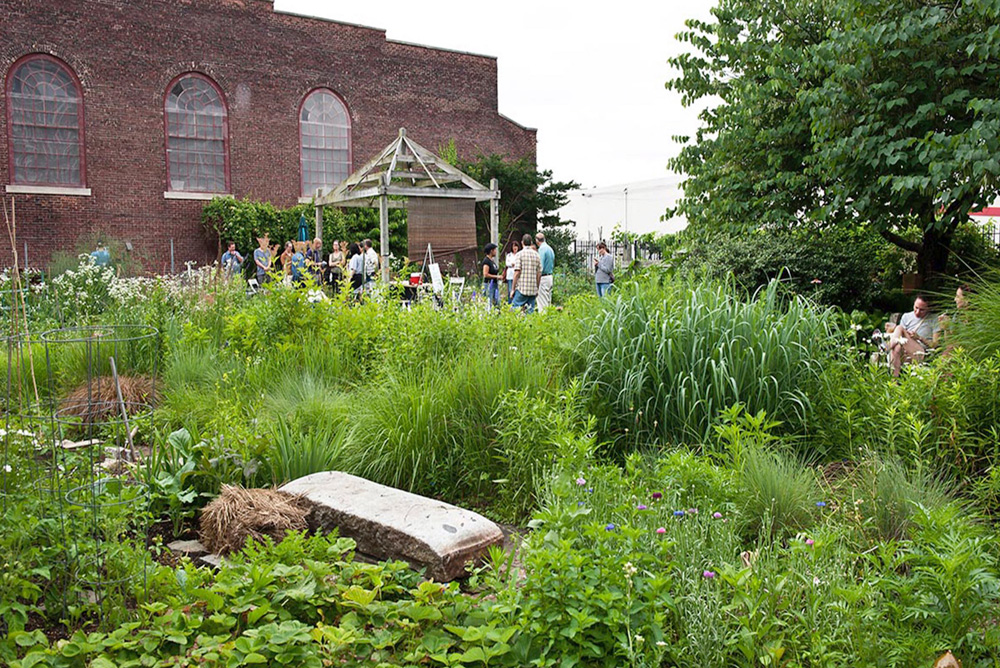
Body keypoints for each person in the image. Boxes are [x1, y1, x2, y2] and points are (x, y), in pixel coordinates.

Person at [882, 295, 940, 377]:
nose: (917, 312)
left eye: (922, 310)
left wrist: (919, 338)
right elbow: (899, 337)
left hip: (920, 352)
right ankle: (894, 381)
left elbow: (935, 344)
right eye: (916, 307)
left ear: (928, 309)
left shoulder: (934, 319)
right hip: (905, 351)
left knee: (899, 328)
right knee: (897, 347)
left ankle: (886, 347)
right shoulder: (906, 316)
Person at [511, 233, 542, 313]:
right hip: (532, 289)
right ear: (531, 242)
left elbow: (517, 272)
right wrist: (537, 288)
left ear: (522, 242)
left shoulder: (519, 255)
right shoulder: (537, 255)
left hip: (522, 288)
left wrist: (513, 289)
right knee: (530, 312)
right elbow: (539, 273)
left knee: (515, 310)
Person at [535, 231, 555, 312]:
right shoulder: (550, 249)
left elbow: (540, 268)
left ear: (537, 240)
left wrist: (537, 283)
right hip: (550, 276)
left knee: (542, 304)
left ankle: (543, 321)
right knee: (548, 302)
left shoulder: (542, 250)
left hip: (543, 278)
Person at [481, 242, 502, 308]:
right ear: (491, 251)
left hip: (495, 285)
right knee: (489, 302)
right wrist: (497, 277)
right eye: (495, 250)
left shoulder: (492, 261)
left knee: (497, 302)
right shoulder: (486, 261)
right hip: (489, 284)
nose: (496, 251)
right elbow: (485, 274)